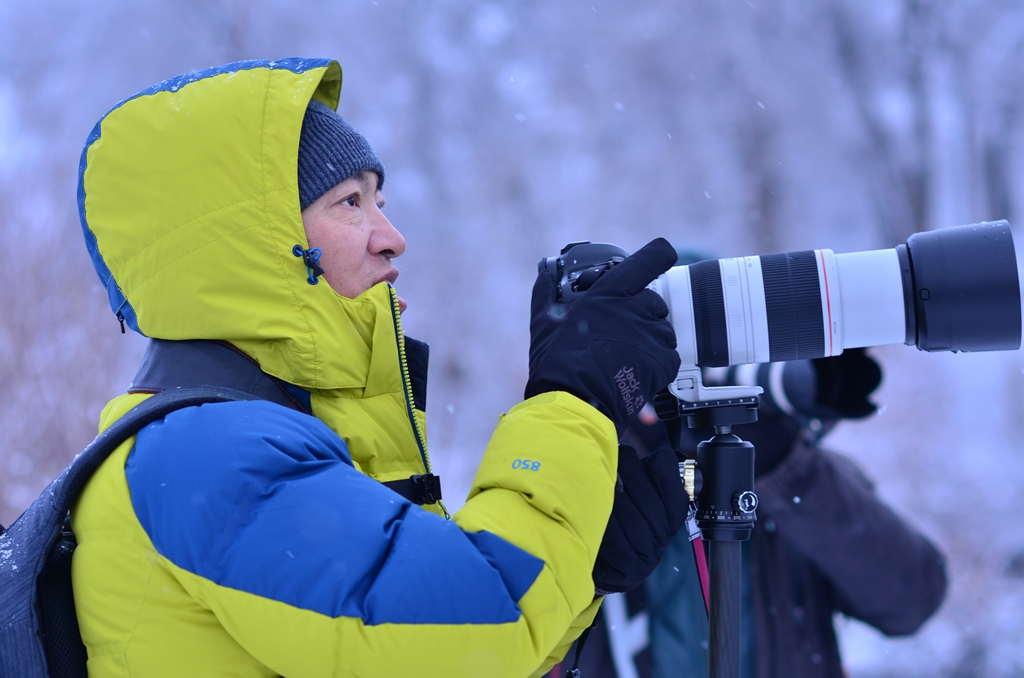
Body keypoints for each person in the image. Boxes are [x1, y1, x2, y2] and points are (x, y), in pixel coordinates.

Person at [68, 58, 690, 677]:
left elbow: (429, 653)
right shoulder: (206, 453)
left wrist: (577, 572)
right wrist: (574, 401)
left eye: (380, 200)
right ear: (253, 245)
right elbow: (468, 632)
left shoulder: (256, 438)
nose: (392, 236)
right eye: (350, 202)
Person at [564, 351, 948, 678]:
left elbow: (911, 601)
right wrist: (635, 452)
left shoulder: (811, 477)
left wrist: (785, 468)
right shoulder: (586, 478)